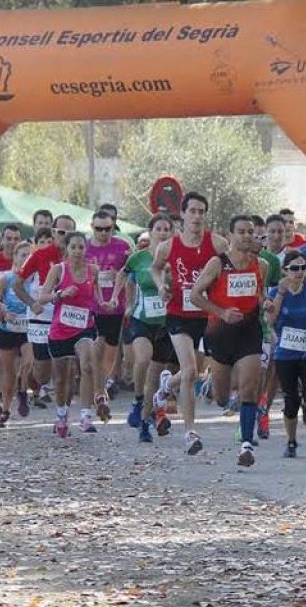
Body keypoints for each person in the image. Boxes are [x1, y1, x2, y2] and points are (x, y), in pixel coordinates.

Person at [152, 192, 228, 456]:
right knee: (190, 371)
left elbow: (229, 270)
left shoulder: (217, 244)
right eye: (192, 211)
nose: (197, 216)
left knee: (194, 373)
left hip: (207, 315)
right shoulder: (168, 246)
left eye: (201, 212)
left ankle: (166, 385)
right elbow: (156, 268)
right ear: (182, 214)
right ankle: (190, 432)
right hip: (179, 315)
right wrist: (161, 286)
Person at [190, 216, 268, 466]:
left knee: (249, 387)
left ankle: (246, 444)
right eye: (241, 232)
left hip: (249, 330)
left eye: (250, 232)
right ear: (230, 235)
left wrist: (267, 303)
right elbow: (195, 295)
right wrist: (222, 313)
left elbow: (260, 294)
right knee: (222, 398)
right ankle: (211, 384)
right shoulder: (217, 263)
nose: (247, 236)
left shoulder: (261, 265)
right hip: (220, 332)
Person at [112, 214, 175, 443]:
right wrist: (125, 303)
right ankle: (138, 400)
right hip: (142, 319)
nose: (163, 233)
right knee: (143, 359)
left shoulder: (176, 257)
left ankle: (145, 424)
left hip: (166, 323)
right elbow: (126, 278)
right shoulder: (139, 258)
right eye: (159, 228)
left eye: (167, 229)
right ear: (151, 232)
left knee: (155, 377)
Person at [38, 232, 103, 437]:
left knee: (87, 366)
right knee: (61, 379)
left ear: (86, 249)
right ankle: (61, 415)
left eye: (81, 247)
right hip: (60, 330)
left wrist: (107, 304)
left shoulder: (93, 270)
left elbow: (98, 299)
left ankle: (85, 416)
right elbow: (42, 297)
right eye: (73, 247)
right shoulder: (58, 270)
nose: (77, 251)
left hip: (84, 327)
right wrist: (60, 294)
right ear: (66, 249)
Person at [16, 216, 78, 410]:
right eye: (61, 232)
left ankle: (64, 413)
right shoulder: (39, 255)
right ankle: (27, 380)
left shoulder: (78, 257)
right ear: (53, 232)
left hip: (66, 316)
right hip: (42, 315)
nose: (65, 236)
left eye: (70, 233)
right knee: (43, 374)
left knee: (68, 367)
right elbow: (17, 285)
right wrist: (32, 303)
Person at [267, 249, 306, 458]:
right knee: (290, 400)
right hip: (285, 354)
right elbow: (270, 320)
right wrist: (281, 294)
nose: (299, 272)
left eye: (303, 267)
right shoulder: (276, 292)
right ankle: (291, 441)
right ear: (285, 270)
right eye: (294, 268)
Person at [88, 210, 132, 411]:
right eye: (99, 229)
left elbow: (130, 275)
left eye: (107, 228)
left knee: (111, 352)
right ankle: (96, 389)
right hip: (92, 308)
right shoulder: (84, 247)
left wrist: (121, 298)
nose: (103, 233)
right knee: (96, 347)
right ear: (92, 227)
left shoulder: (123, 247)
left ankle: (102, 385)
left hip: (115, 308)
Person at [0, 241, 34, 426]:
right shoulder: (6, 278)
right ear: (15, 257)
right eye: (23, 255)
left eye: (29, 256)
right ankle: (5, 410)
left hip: (28, 330)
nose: (26, 259)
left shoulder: (35, 279)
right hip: (8, 329)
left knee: (27, 362)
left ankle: (23, 391)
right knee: (8, 374)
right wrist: (2, 311)